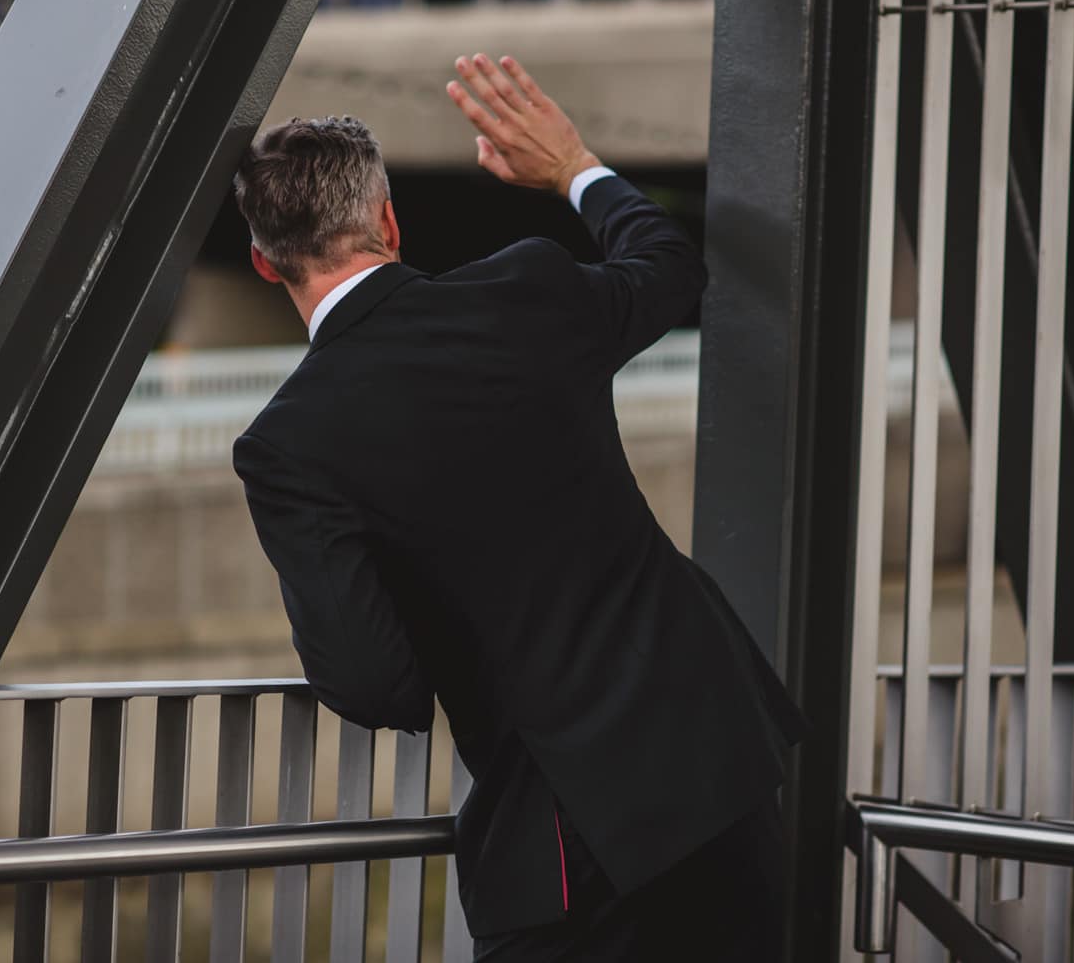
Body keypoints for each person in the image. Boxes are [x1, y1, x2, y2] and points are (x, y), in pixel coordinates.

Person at [231, 54, 805, 960]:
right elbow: (668, 265)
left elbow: (375, 682)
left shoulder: (288, 443)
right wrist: (572, 162)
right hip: (716, 753)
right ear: (387, 219)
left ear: (265, 263)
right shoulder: (527, 289)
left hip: (572, 836)